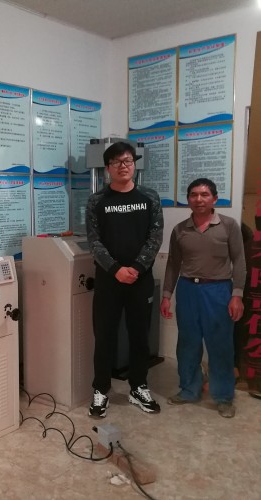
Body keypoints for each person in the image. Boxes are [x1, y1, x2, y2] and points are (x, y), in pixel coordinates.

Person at [86, 141, 163, 418]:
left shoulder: (149, 197)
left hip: (140, 280)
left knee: (140, 336)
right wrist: (116, 269)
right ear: (108, 168)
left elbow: (155, 237)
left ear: (134, 164)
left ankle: (138, 387)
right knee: (104, 336)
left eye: (128, 161)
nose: (123, 166)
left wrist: (138, 267)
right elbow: (94, 241)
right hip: (108, 280)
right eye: (117, 162)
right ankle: (101, 389)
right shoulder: (97, 201)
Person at [160, 178, 246, 418]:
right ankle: (189, 389)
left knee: (220, 345)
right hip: (188, 290)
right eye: (194, 195)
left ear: (214, 199)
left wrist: (237, 295)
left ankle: (223, 397)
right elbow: (173, 264)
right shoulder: (180, 230)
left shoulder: (228, 226)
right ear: (188, 199)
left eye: (204, 194)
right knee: (187, 343)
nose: (199, 199)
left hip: (218, 291)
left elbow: (239, 261)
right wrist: (166, 295)